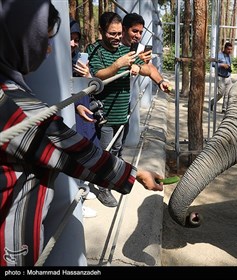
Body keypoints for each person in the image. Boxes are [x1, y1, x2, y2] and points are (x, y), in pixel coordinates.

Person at [0, 0, 163, 266]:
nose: (50, 49)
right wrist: (135, 175)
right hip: (9, 245)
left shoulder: (11, 88)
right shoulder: (14, 106)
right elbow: (71, 149)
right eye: (42, 39)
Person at [86, 12, 152, 208]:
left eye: (118, 33)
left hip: (123, 112)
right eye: (111, 33)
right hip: (105, 114)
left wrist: (140, 67)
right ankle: (103, 188)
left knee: (117, 149)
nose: (116, 38)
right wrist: (119, 64)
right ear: (101, 31)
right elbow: (99, 75)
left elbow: (147, 69)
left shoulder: (126, 50)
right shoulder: (95, 50)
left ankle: (114, 178)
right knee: (105, 152)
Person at [70, 18, 98, 218]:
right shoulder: (52, 63)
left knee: (86, 148)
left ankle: (82, 188)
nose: (73, 44)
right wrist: (75, 104)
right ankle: (75, 203)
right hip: (70, 117)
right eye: (69, 39)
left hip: (84, 112)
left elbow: (92, 85)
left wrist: (88, 75)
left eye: (76, 39)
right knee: (73, 156)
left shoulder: (76, 59)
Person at [121, 12, 171, 94]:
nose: (138, 36)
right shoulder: (114, 46)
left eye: (140, 32)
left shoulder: (140, 48)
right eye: (135, 31)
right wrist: (138, 61)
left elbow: (150, 67)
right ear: (124, 29)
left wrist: (161, 82)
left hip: (127, 100)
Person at [210, 42, 233, 114]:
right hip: (220, 77)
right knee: (221, 93)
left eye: (231, 49)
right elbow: (213, 64)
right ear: (225, 48)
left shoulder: (229, 56)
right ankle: (212, 102)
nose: (230, 51)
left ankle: (224, 109)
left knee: (227, 94)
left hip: (228, 77)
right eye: (228, 49)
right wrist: (222, 65)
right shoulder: (219, 55)